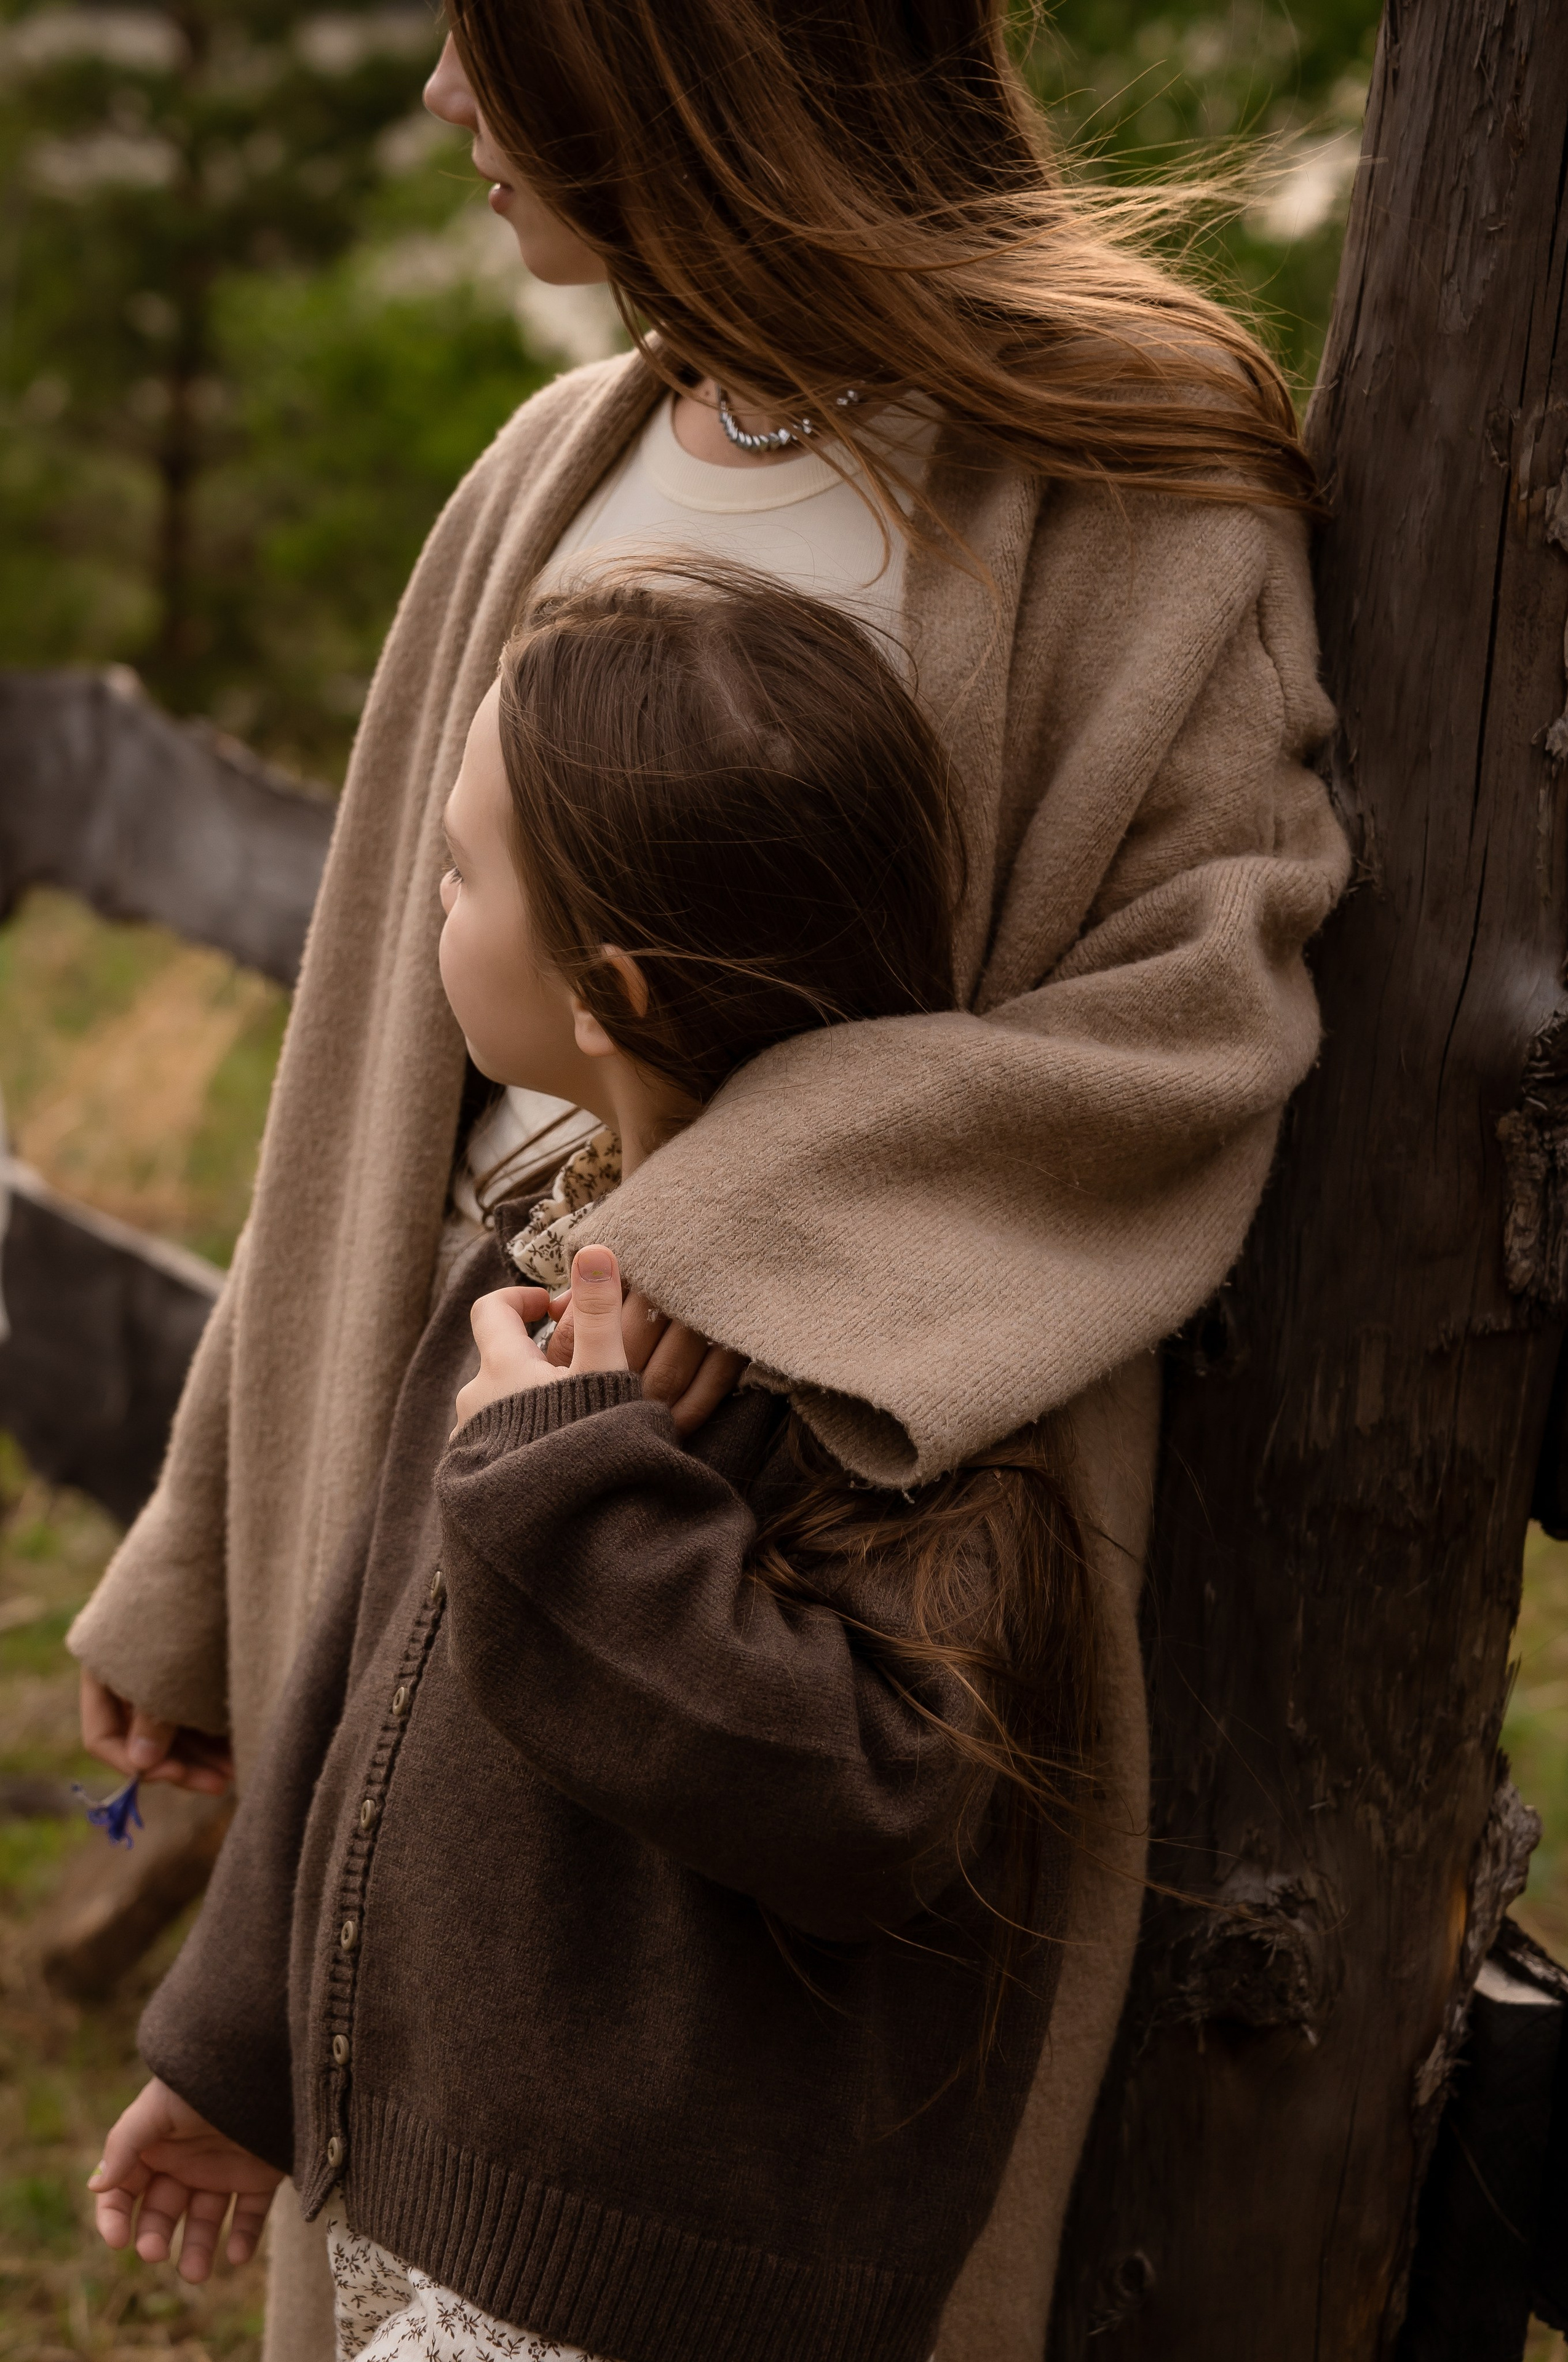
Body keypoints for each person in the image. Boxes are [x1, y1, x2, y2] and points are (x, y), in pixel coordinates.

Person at [68, 4, 1351, 2353]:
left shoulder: (1129, 486)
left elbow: (1196, 1011)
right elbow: (360, 1074)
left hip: (809, 1577)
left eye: (490, 33)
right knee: (410, 2190)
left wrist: (705, 1246)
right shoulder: (545, 471)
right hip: (454, 1474)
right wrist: (205, 1573)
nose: (445, 96)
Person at [89, 564, 1106, 2362]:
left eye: (462, 870)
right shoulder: (539, 1261)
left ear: (606, 992)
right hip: (434, 2214)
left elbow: (879, 1803)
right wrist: (238, 2051)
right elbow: (363, 1684)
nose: (432, 894)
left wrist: (565, 1486)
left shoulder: (888, 1343)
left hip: (648, 2294)